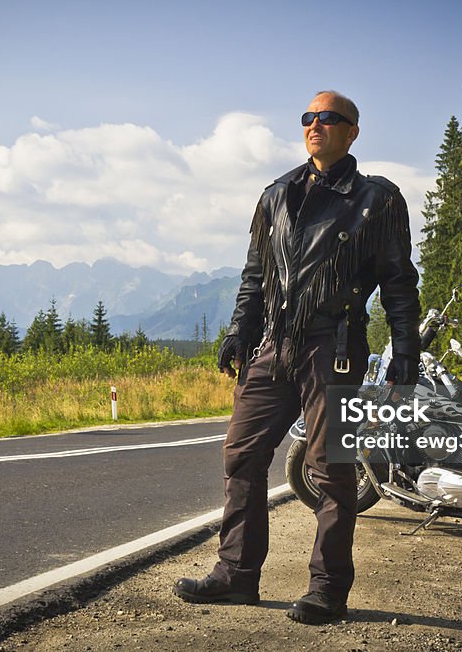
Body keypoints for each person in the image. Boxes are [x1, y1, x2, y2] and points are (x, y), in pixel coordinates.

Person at [173, 90, 421, 624]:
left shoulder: (377, 199)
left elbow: (400, 284)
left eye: (329, 118)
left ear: (352, 131)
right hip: (274, 347)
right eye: (309, 117)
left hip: (334, 347)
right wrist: (241, 330)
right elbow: (255, 277)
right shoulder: (275, 195)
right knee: (241, 454)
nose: (316, 125)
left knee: (330, 469)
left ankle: (328, 588)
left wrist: (406, 352)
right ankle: (236, 576)